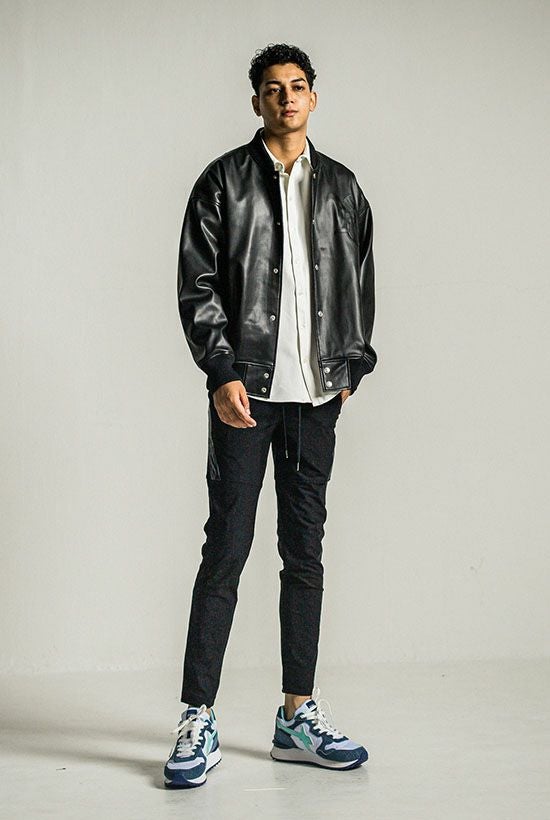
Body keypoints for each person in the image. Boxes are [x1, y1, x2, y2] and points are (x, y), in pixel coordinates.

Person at [165, 42, 377, 789]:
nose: (286, 98)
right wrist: (222, 370)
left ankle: (296, 715)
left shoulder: (343, 188)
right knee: (227, 548)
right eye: (272, 89)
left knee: (305, 555)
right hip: (246, 396)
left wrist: (351, 366)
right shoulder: (223, 182)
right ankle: (197, 716)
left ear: (313, 97)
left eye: (297, 86)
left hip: (316, 400)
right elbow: (197, 284)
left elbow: (359, 280)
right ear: (256, 101)